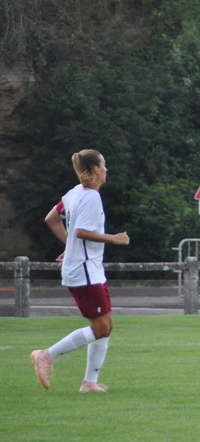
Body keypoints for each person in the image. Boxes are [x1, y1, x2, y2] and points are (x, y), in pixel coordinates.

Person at [30, 149, 131, 393]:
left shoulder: (75, 193)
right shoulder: (91, 197)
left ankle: (89, 382)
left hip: (89, 268)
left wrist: (71, 248)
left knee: (105, 326)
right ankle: (46, 355)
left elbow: (51, 219)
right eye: (104, 165)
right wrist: (114, 239)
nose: (106, 170)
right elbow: (81, 232)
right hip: (85, 271)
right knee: (101, 328)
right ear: (96, 169)